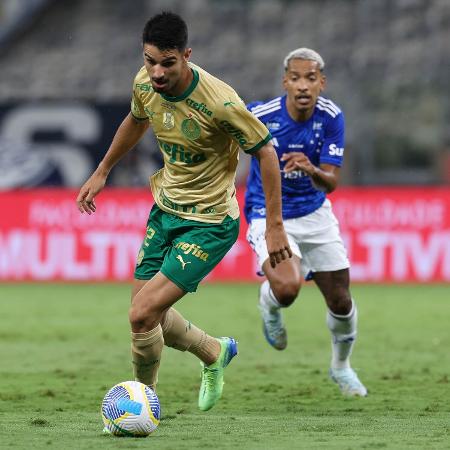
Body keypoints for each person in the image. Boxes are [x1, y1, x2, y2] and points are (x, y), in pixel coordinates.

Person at [76, 11, 291, 412]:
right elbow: (137, 120)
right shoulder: (144, 83)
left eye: (167, 63)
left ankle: (141, 404)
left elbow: (265, 151)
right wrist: (103, 170)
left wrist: (274, 225)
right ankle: (213, 351)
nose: (156, 72)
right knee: (145, 319)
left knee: (142, 313)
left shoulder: (220, 102)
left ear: (186, 55)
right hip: (165, 209)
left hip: (209, 222)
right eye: (149, 60)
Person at [244, 48, 367, 397]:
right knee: (287, 289)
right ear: (285, 81)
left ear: (321, 83)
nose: (302, 85)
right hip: (268, 215)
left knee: (341, 301)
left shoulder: (331, 117)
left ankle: (341, 368)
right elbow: (224, 140)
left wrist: (311, 168)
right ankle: (269, 304)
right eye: (295, 78)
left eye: (310, 78)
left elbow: (332, 181)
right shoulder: (260, 115)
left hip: (315, 215)